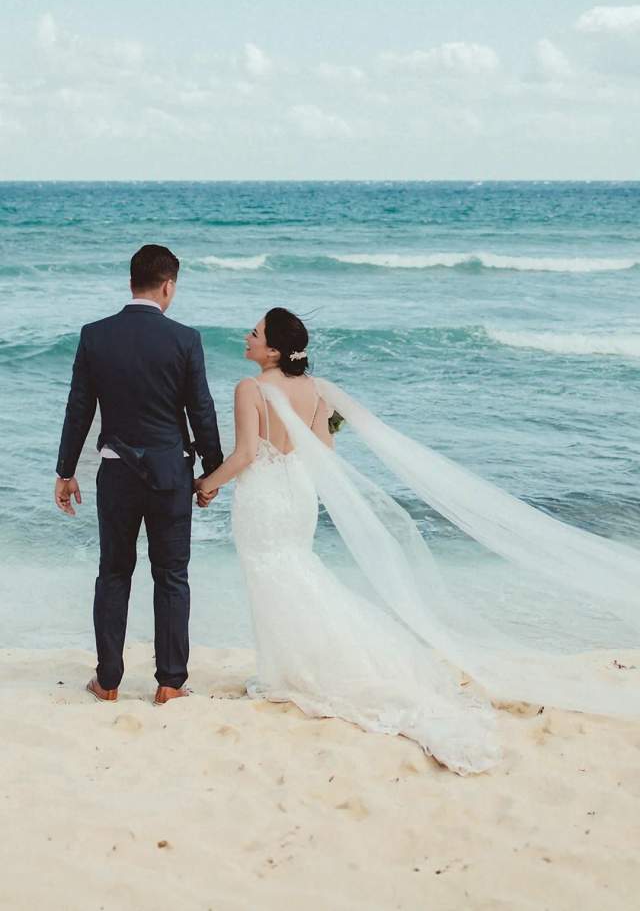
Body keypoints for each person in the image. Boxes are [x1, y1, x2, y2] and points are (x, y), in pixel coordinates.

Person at [195, 307, 640, 775]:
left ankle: (287, 672)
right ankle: (290, 669)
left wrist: (207, 485)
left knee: (274, 577)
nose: (247, 336)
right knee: (297, 572)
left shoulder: (250, 388)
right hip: (298, 494)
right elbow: (324, 452)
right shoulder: (316, 390)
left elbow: (245, 454)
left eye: (256, 332)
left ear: (274, 350)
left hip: (265, 496)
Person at [55, 244, 223, 705]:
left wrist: (65, 471)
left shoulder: (95, 335)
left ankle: (107, 681)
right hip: (170, 474)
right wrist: (212, 472)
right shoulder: (185, 339)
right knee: (171, 576)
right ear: (168, 285)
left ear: (132, 282)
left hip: (117, 475)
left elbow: (79, 410)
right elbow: (201, 410)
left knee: (113, 573)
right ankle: (169, 683)